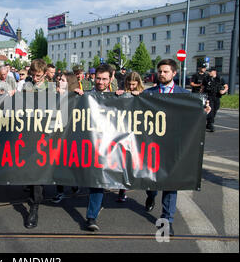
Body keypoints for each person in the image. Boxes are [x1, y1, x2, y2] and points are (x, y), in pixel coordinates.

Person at [143, 59, 211, 236]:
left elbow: (193, 116)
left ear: (174, 73)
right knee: (150, 182)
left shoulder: (184, 95)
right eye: (160, 71)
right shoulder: (148, 93)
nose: (161, 74)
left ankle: (167, 221)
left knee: (171, 184)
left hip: (174, 147)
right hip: (152, 147)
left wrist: (203, 112)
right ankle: (150, 196)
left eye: (165, 72)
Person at [85, 64, 115, 232]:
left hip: (105, 146)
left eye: (104, 79)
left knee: (97, 180)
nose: (101, 82)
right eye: (98, 78)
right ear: (93, 78)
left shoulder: (117, 97)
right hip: (86, 144)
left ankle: (91, 216)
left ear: (110, 79)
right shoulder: (85, 96)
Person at [22, 59, 49, 229]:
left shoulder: (51, 88)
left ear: (45, 74)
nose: (35, 78)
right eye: (33, 75)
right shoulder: (25, 85)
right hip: (27, 132)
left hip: (45, 133)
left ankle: (34, 207)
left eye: (38, 75)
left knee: (38, 170)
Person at [114, 71, 145, 202]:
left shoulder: (144, 93)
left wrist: (140, 96)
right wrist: (119, 95)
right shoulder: (124, 91)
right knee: (124, 162)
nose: (131, 87)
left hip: (138, 133)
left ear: (138, 83)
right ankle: (122, 190)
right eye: (129, 84)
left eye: (134, 84)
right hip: (124, 131)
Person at [51, 72, 81, 203]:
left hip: (70, 135)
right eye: (59, 79)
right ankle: (60, 191)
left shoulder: (76, 96)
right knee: (57, 164)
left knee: (68, 163)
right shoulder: (54, 94)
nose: (59, 82)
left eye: (62, 80)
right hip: (56, 134)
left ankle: (74, 183)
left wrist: (79, 94)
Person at [201, 67, 228, 132]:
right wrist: (202, 96)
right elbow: (202, 87)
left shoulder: (220, 79)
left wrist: (223, 91)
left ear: (214, 72)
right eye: (208, 71)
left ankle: (208, 124)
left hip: (217, 97)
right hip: (209, 97)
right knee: (211, 110)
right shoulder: (206, 78)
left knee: (215, 110)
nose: (209, 72)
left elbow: (226, 86)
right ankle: (210, 124)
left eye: (210, 71)